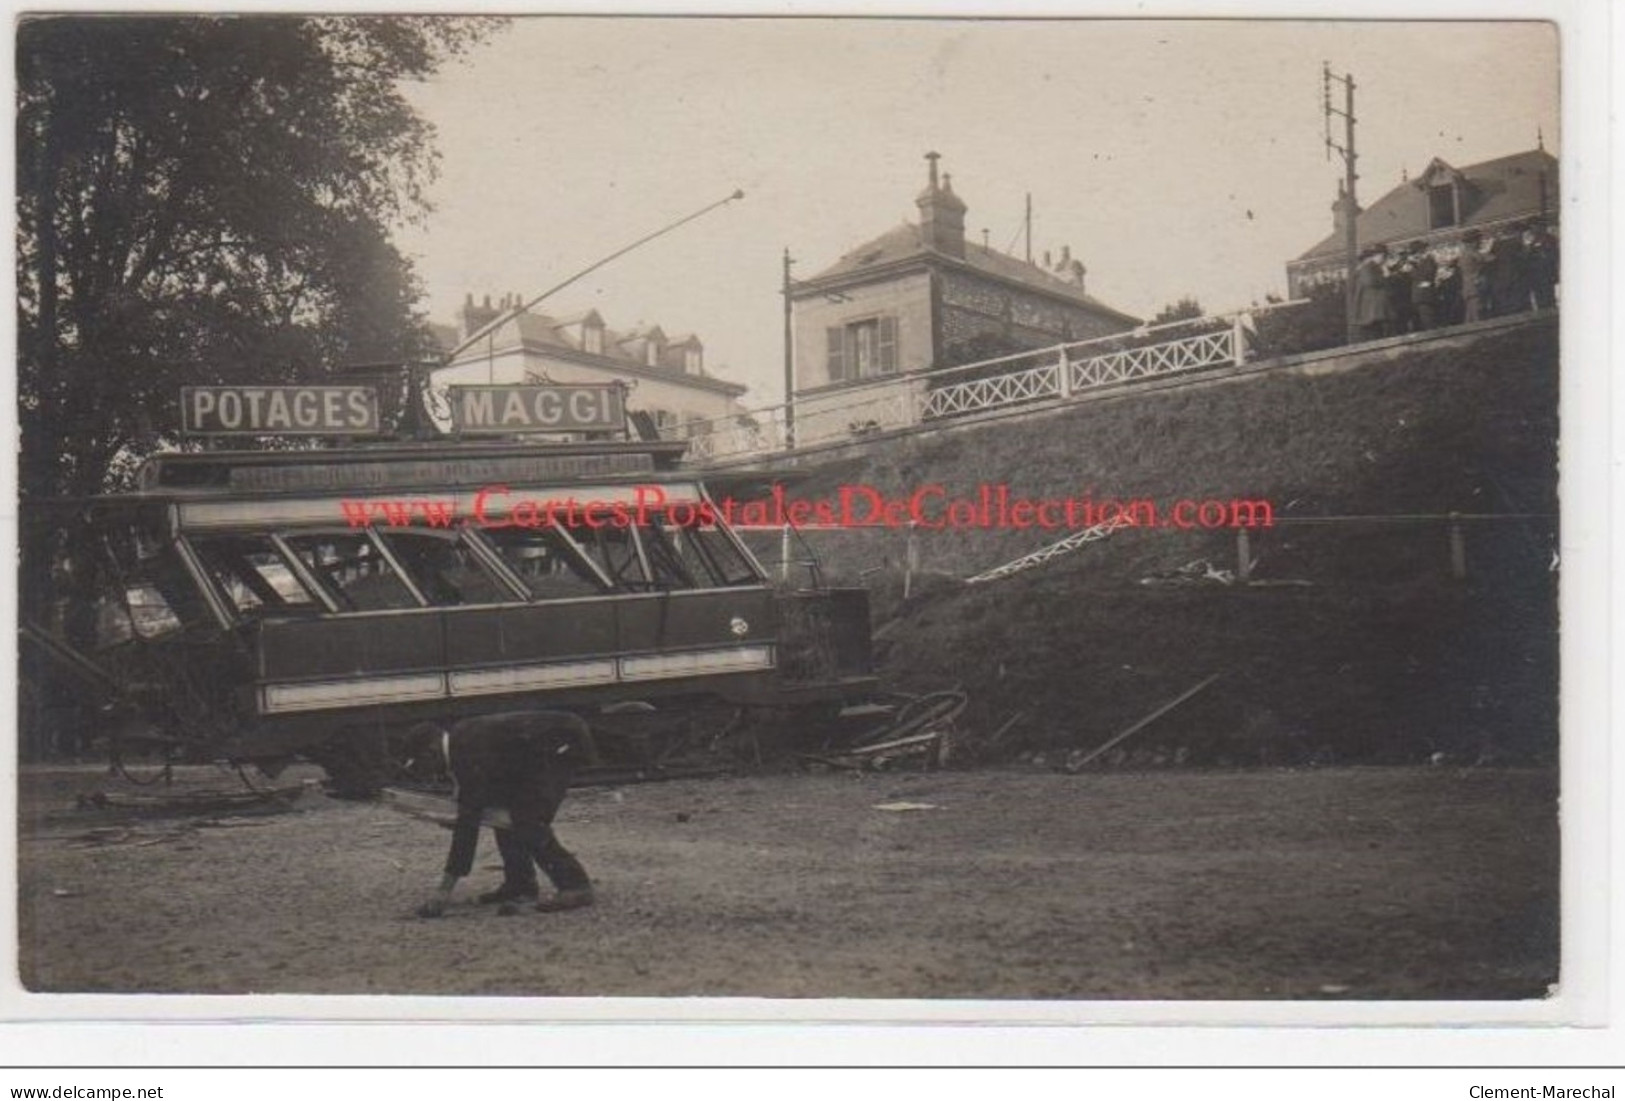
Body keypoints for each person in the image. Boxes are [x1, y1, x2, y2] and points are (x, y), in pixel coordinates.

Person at [413, 710, 595, 918]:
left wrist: (443, 891)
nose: (426, 773)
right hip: (537, 751)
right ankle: (519, 886)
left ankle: (576, 886)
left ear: (431, 750)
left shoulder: (466, 752)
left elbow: (467, 830)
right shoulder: (460, 741)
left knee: (529, 819)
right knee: (502, 815)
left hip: (560, 743)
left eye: (421, 764)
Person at [1352, 244, 1394, 340]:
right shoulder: (1369, 267)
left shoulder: (1371, 267)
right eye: (1384, 257)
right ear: (1380, 255)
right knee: (1377, 334)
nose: (1385, 259)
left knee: (1379, 333)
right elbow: (1370, 281)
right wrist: (1385, 277)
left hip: (1373, 308)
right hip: (1373, 308)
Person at [1407, 245, 1439, 331]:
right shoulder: (1417, 263)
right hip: (1418, 297)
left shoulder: (1428, 261)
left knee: (1428, 320)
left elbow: (1427, 276)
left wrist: (1414, 267)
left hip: (1425, 296)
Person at [1457, 231, 1486, 323]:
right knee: (1477, 316)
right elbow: (1484, 260)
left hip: (1469, 289)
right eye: (1478, 240)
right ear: (1473, 242)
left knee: (1470, 317)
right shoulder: (1472, 253)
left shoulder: (1464, 254)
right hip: (1475, 287)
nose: (1480, 242)